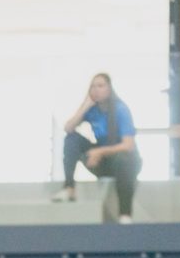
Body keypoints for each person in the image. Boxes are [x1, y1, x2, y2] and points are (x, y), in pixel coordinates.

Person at [52, 73, 141, 224]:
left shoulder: (120, 109)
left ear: (109, 88)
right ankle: (69, 188)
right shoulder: (92, 110)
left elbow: (128, 145)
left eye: (100, 86)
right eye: (93, 86)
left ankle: (125, 214)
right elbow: (68, 128)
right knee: (72, 139)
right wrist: (85, 105)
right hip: (102, 161)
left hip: (124, 162)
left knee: (123, 159)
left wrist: (100, 151)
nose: (96, 90)